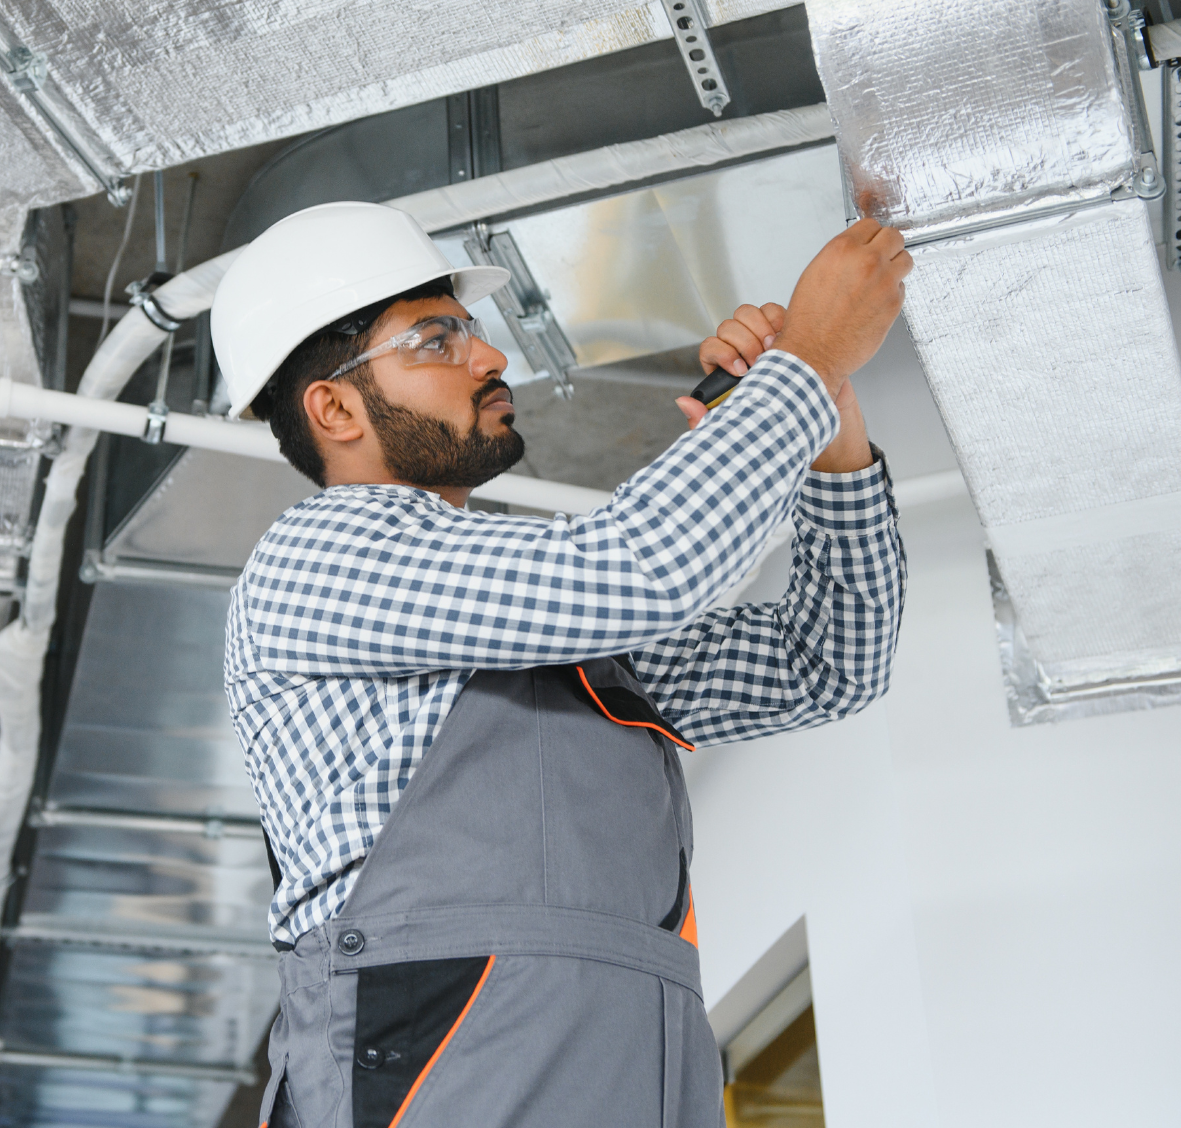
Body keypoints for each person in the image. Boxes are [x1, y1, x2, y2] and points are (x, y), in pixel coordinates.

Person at [212, 200, 910, 1128]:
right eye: (436, 339)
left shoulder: (559, 632)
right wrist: (808, 362)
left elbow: (826, 664)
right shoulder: (317, 558)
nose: (492, 358)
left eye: (474, 331)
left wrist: (830, 428)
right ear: (335, 406)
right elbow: (639, 568)